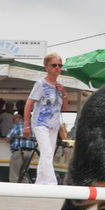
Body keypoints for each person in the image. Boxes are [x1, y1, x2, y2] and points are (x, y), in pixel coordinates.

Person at [24, 53, 68, 185]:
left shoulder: (59, 86)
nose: (57, 68)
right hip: (40, 123)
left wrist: (64, 93)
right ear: (47, 67)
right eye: (54, 65)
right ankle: (51, 182)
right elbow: (29, 104)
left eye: (60, 65)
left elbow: (64, 108)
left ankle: (40, 182)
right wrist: (26, 125)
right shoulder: (41, 84)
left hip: (53, 125)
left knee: (46, 154)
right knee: (47, 152)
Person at [4, 113, 35, 183]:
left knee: (14, 175)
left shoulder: (17, 126)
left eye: (15, 118)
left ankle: (14, 191)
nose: (14, 120)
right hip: (30, 152)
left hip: (19, 152)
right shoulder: (31, 127)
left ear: (22, 118)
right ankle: (25, 191)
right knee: (24, 174)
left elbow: (8, 139)